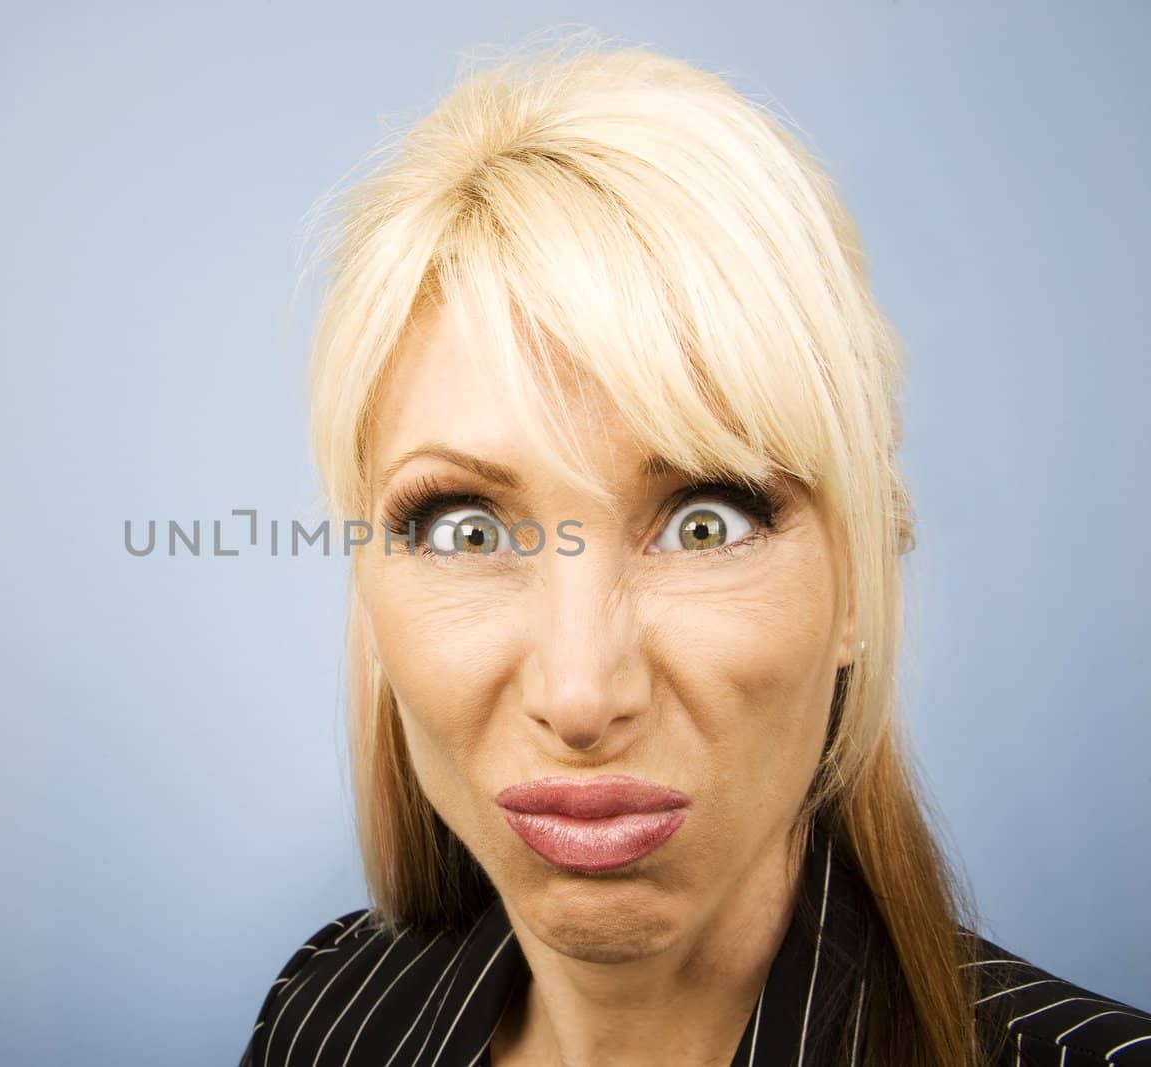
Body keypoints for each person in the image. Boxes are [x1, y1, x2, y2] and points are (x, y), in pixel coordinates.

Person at [239, 33, 1151, 1067]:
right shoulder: (323, 1012)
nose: (581, 695)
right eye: (467, 527)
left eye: (703, 519)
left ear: (857, 576)